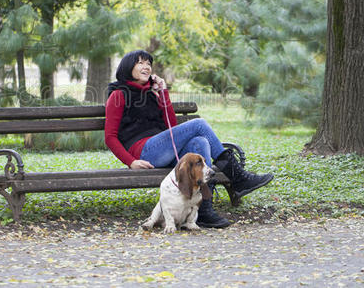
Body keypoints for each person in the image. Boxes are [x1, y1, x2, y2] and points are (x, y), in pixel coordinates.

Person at [104, 50, 274, 228]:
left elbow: (171, 125)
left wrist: (163, 93)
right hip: (145, 151)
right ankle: (237, 177)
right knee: (198, 124)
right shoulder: (119, 94)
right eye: (140, 63)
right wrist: (131, 162)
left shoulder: (152, 93)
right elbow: (110, 137)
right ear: (127, 67)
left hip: (164, 150)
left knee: (200, 142)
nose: (146, 66)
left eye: (148, 63)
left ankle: (204, 209)